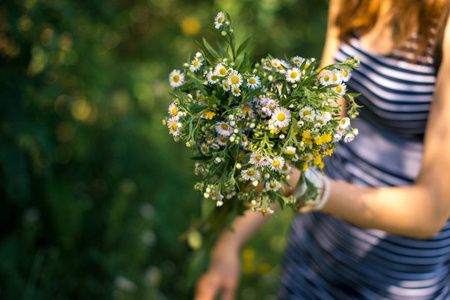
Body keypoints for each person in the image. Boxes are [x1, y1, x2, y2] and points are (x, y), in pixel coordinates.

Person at [195, 0, 450, 299]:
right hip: (312, 261)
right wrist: (229, 244)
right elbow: (318, 129)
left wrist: (312, 190)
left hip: (397, 285)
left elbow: (431, 211)